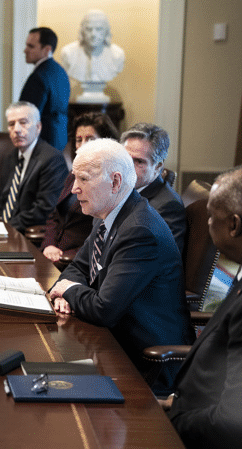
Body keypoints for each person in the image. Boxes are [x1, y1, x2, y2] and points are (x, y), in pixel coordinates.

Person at [49, 138, 192, 393]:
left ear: (115, 182)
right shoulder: (106, 213)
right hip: (112, 341)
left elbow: (104, 309)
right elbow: (78, 268)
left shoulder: (140, 230)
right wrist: (65, 290)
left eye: (83, 179)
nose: (74, 189)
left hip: (146, 361)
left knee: (52, 385)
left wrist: (68, 290)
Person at [163, 164, 242, 448]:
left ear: (234, 225)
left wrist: (171, 421)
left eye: (211, 217)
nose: (208, 224)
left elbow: (234, 420)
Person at [41, 112, 119, 267]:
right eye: (79, 140)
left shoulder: (110, 183)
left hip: (76, 261)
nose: (83, 145)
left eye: (90, 139)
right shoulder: (74, 174)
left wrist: (66, 256)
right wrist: (49, 245)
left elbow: (103, 236)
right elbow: (54, 216)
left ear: (106, 142)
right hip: (52, 253)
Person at [0, 101, 69, 232]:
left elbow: (44, 209)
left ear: (38, 127)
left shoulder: (52, 159)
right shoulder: (10, 157)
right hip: (3, 229)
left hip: (24, 232)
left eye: (23, 122)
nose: (16, 129)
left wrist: (6, 228)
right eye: (11, 124)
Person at [120, 123, 187, 254]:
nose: (128, 167)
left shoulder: (168, 206)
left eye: (139, 161)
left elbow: (159, 260)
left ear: (158, 166)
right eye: (125, 158)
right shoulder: (120, 189)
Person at [19, 27, 70, 151]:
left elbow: (27, 117)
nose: (25, 50)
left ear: (47, 49)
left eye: (31, 46)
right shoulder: (61, 72)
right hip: (60, 142)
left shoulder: (38, 77)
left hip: (41, 145)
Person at [60, 10, 126, 83]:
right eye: (89, 29)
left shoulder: (117, 55)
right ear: (82, 31)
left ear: (106, 31)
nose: (93, 34)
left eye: (99, 29)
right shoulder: (68, 53)